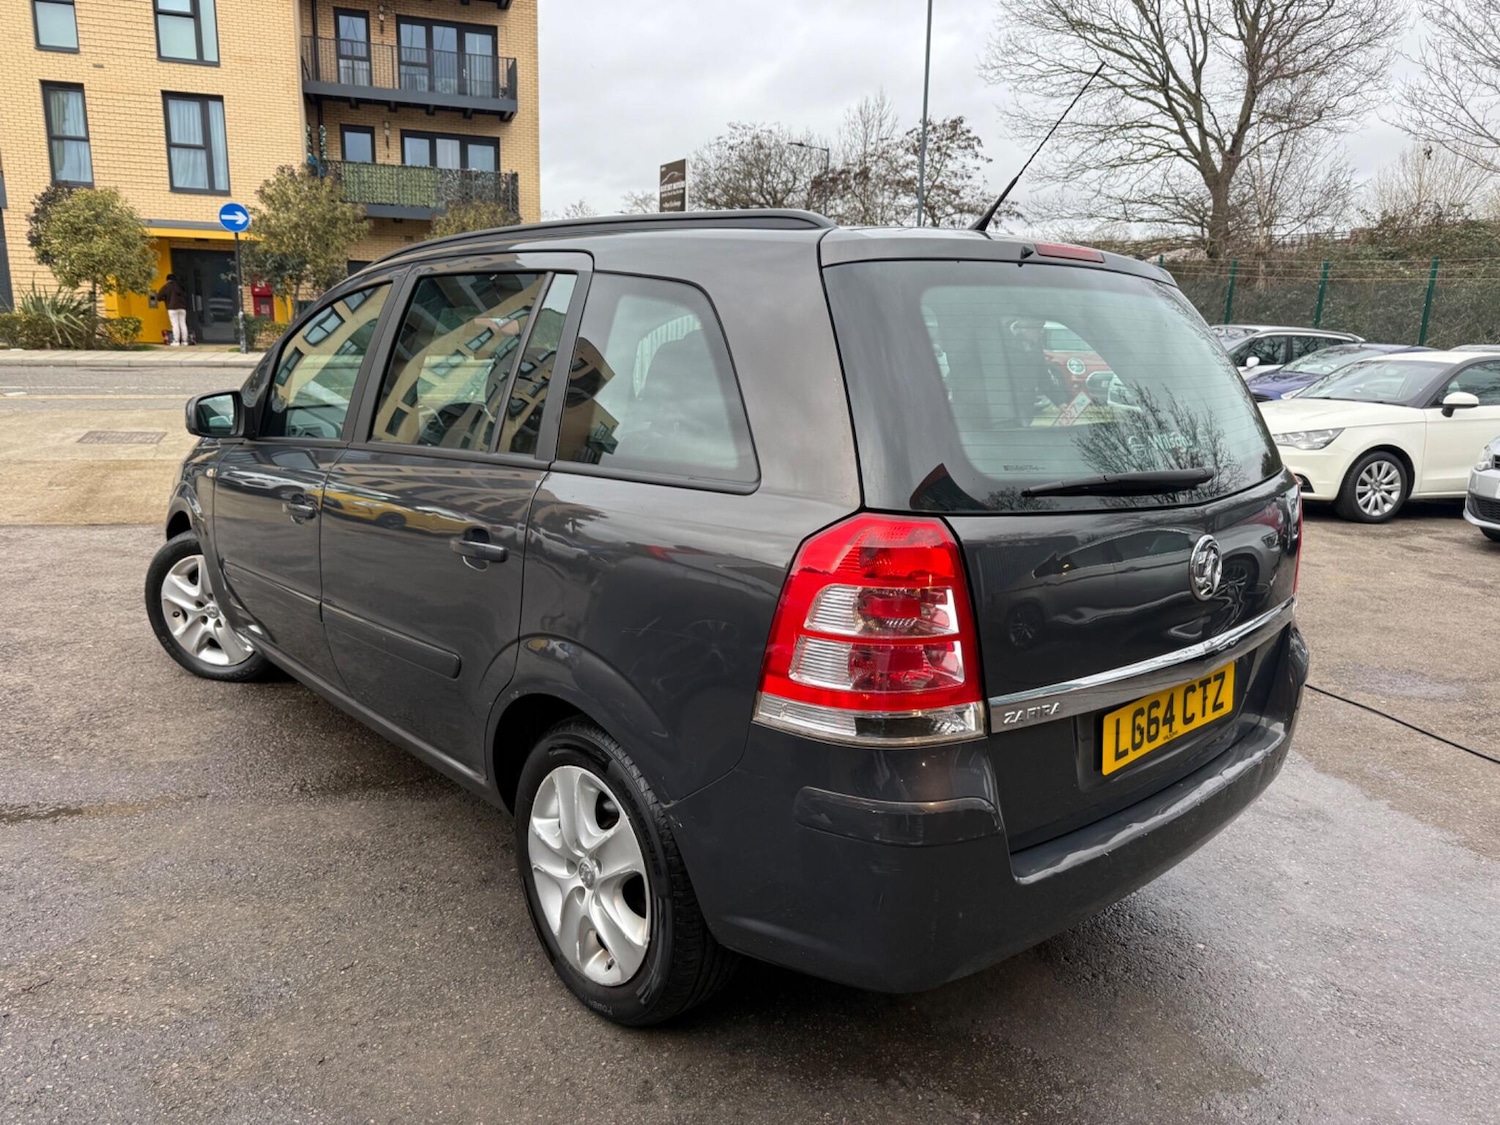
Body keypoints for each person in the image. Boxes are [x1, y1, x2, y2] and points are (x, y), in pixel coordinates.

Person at [157, 274, 189, 346]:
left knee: (175, 324)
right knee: (183, 324)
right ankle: (185, 341)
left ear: (168, 280)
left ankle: (176, 341)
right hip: (182, 307)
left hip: (172, 308)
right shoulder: (180, 286)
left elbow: (159, 297)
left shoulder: (167, 287)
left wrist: (164, 299)